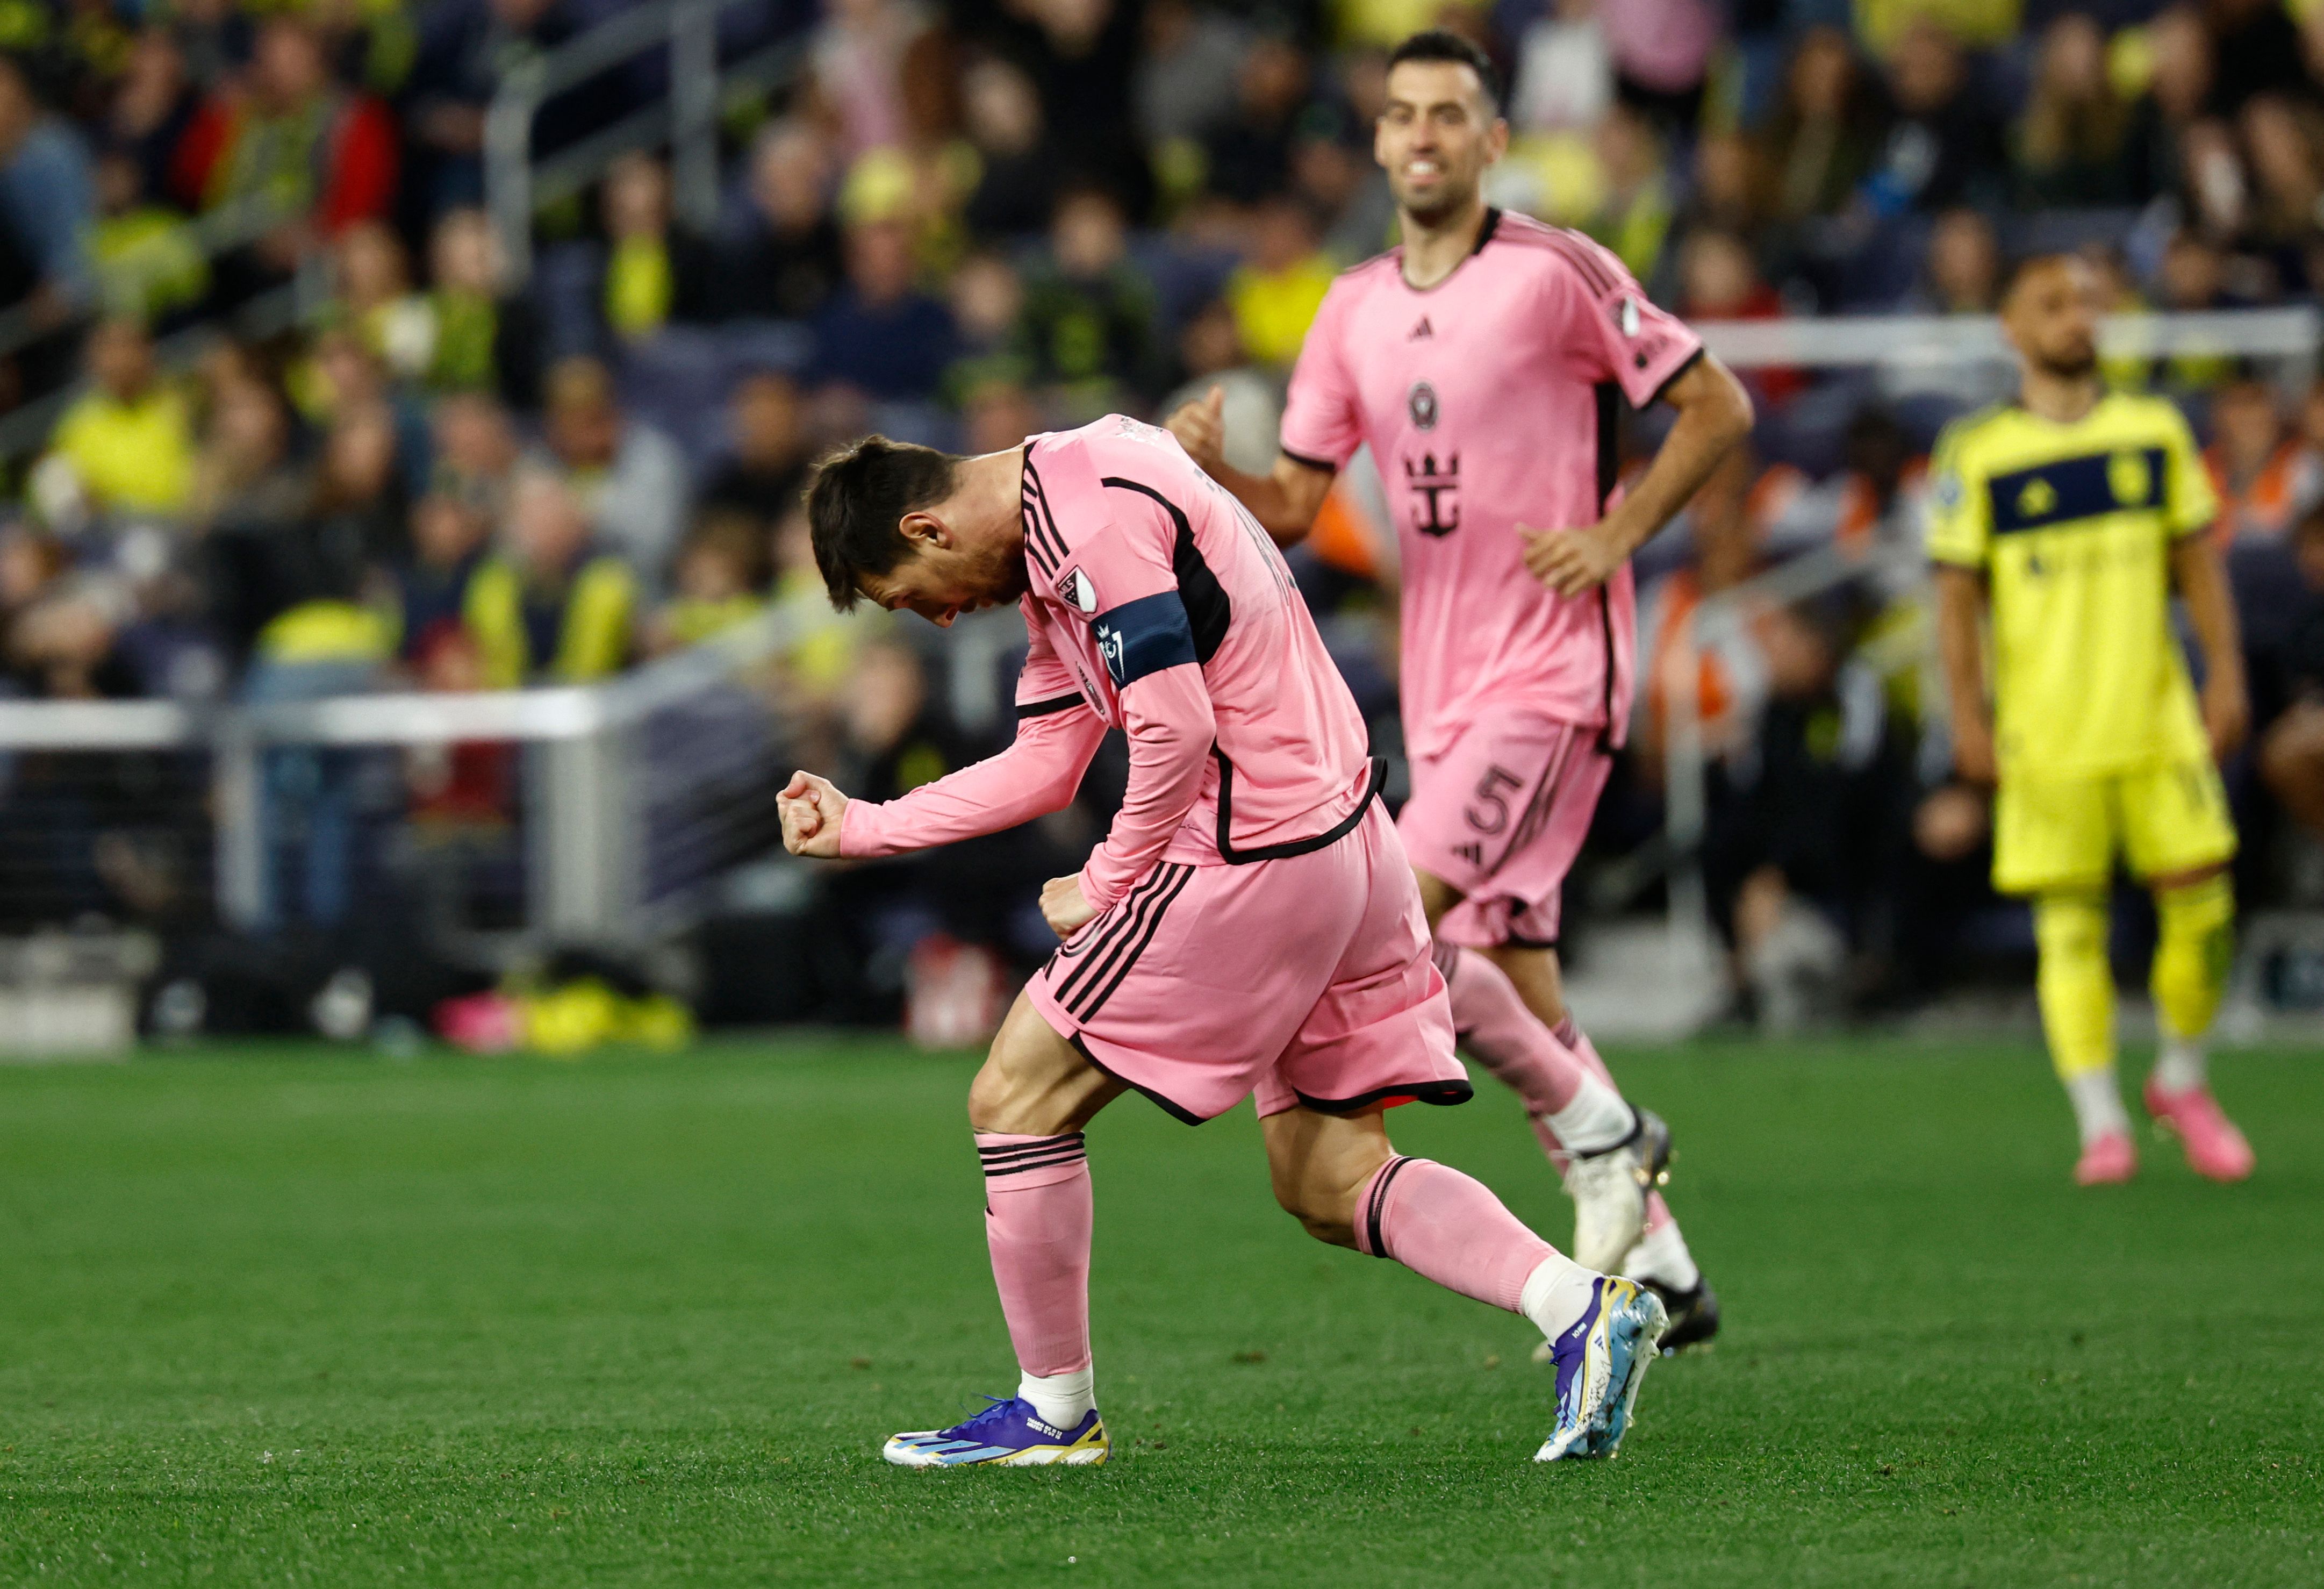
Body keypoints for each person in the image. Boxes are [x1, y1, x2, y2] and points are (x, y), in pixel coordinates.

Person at [781, 418, 1670, 1468]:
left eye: (909, 595)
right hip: (1347, 841)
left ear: (927, 527)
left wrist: (1110, 879)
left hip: (1252, 849)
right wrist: (867, 824)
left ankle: (1053, 1411)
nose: (935, 620)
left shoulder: (1084, 515)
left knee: (1014, 1093)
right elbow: (1047, 759)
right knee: (1330, 1178)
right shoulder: (1062, 511)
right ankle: (1577, 1306)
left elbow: (1175, 726)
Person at [1164, 31, 1752, 1348]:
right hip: (1440, 688)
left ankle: (1609, 1135)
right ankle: (1657, 1255)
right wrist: (1214, 478)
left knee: (1389, 917)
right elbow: (1301, 509)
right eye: (1399, 114)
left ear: (1492, 142)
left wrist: (1613, 536)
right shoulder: (1349, 307)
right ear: (1376, 143)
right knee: (1504, 974)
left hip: (1550, 674)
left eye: (1448, 114)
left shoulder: (1554, 273)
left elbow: (1716, 404)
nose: (1421, 134)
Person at [1929, 253, 2255, 1187]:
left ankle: (2183, 1080)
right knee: (2069, 930)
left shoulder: (2153, 432)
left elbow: (2200, 566)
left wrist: (2224, 676)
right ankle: (2102, 1120)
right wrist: (1968, 718)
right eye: (2054, 305)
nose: (2079, 320)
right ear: (2011, 329)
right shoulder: (1978, 454)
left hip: (2157, 721)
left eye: (2089, 304)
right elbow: (1956, 603)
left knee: (2205, 908)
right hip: (2045, 732)